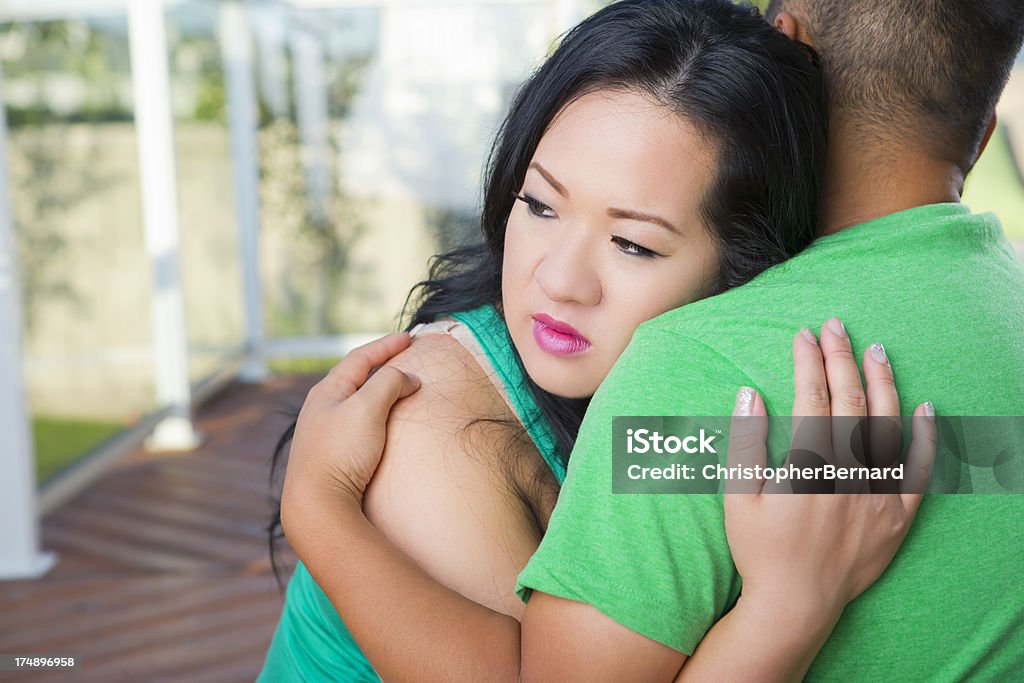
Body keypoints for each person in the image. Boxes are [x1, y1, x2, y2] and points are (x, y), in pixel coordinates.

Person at [262, 0, 934, 680]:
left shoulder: (707, 378)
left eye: (633, 244)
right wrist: (315, 509)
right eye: (541, 204)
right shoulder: (434, 424)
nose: (558, 279)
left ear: (747, 268)